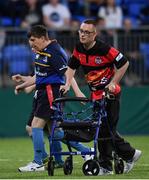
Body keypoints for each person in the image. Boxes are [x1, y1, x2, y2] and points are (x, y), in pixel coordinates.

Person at [61, 19, 142, 175]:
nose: (82, 35)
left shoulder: (104, 49)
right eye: (81, 31)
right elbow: (71, 67)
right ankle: (129, 154)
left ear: (94, 34)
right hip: (96, 95)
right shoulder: (78, 48)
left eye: (86, 32)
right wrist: (67, 84)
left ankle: (108, 164)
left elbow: (124, 63)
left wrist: (113, 82)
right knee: (103, 129)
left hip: (110, 95)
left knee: (105, 129)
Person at [13, 25, 93, 172]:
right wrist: (23, 83)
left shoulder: (54, 52)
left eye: (33, 39)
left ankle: (38, 162)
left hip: (51, 92)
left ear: (43, 38)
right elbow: (40, 76)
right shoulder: (42, 51)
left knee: (35, 125)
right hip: (44, 92)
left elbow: (67, 73)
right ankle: (85, 151)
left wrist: (78, 92)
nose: (31, 43)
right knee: (55, 131)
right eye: (30, 40)